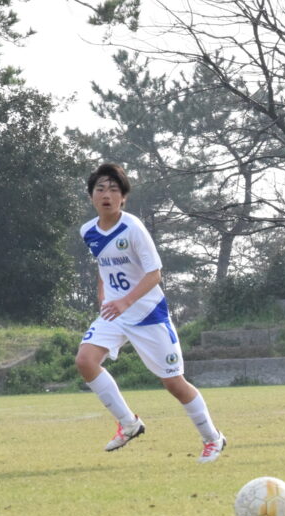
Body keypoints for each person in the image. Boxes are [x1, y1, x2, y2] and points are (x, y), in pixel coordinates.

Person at [75, 163, 226, 463]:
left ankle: (213, 438)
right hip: (115, 314)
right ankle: (129, 423)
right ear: (91, 196)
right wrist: (103, 293)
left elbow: (154, 274)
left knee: (174, 383)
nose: (106, 195)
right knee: (85, 361)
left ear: (123, 198)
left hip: (148, 315)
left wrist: (125, 301)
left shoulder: (133, 228)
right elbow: (103, 264)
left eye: (113, 190)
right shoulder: (88, 231)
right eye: (100, 189)